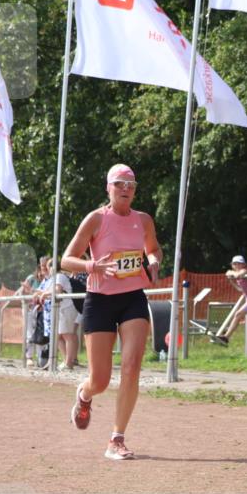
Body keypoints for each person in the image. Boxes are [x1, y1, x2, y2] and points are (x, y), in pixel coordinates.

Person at [60, 164, 162, 460]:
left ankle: (116, 439)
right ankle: (85, 394)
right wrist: (93, 266)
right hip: (100, 299)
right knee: (100, 380)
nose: (126, 189)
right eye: (119, 184)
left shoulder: (143, 220)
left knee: (132, 366)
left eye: (131, 184)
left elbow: (154, 248)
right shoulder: (96, 219)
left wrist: (153, 261)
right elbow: (67, 259)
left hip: (133, 297)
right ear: (109, 188)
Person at [33, 257, 79, 371]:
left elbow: (57, 291)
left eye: (48, 267)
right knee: (57, 337)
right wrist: (38, 292)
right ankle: (66, 360)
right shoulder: (54, 278)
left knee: (67, 335)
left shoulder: (59, 276)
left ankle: (69, 362)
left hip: (66, 308)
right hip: (60, 309)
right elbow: (48, 291)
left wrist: (44, 294)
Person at [20, 257, 46, 368]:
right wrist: (29, 294)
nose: (42, 268)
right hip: (30, 308)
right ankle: (29, 357)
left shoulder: (47, 279)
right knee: (30, 333)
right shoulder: (31, 278)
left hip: (42, 310)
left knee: (40, 333)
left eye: (44, 266)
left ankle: (41, 357)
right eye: (41, 266)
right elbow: (23, 292)